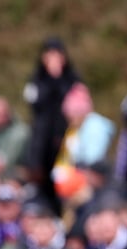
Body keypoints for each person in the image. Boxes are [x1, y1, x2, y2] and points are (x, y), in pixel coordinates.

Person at [23, 36, 82, 211]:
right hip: (42, 141)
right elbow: (36, 103)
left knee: (65, 181)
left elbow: (75, 105)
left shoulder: (72, 78)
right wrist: (51, 79)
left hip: (66, 139)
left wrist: (58, 78)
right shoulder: (37, 78)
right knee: (42, 180)